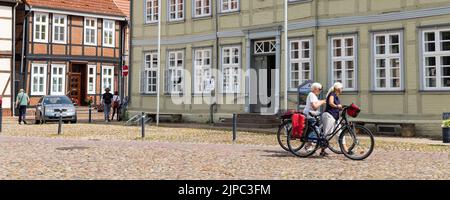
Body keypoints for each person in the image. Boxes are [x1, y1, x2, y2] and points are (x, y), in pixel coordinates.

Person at [303, 83, 326, 154]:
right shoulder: (312, 95)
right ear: (315, 89)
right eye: (319, 89)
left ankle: (310, 144)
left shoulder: (313, 95)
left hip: (312, 114)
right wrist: (322, 102)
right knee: (314, 129)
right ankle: (308, 146)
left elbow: (315, 104)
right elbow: (314, 107)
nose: (320, 91)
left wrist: (322, 101)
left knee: (314, 129)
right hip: (310, 115)